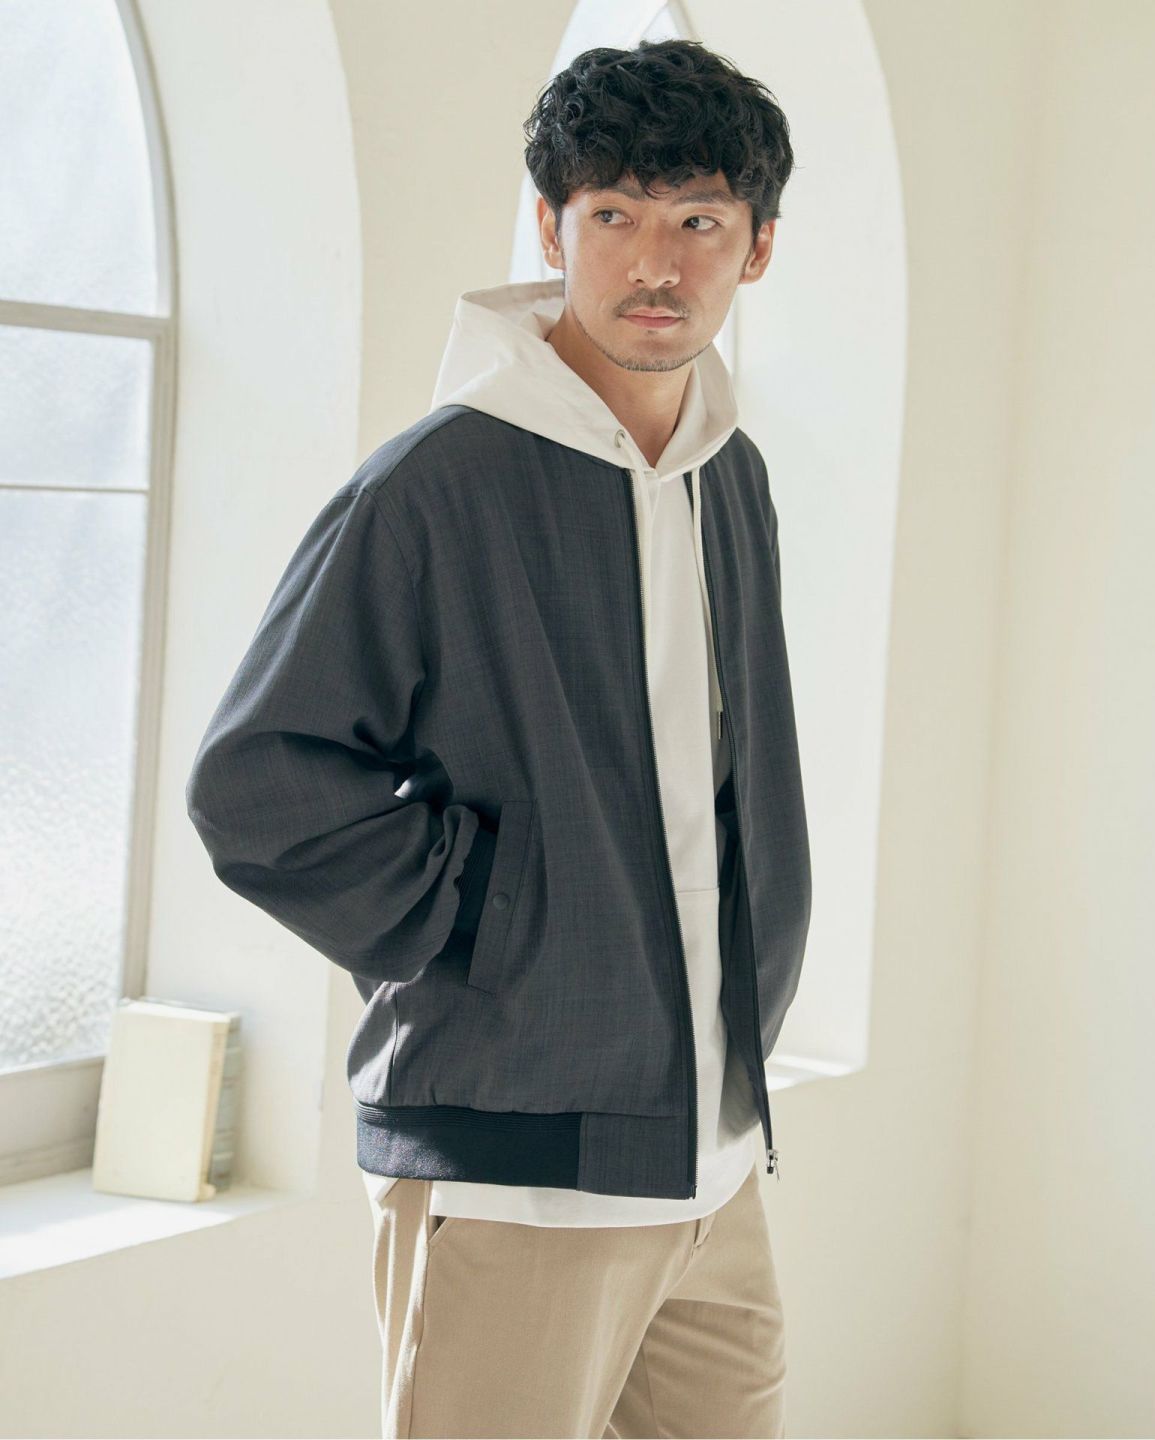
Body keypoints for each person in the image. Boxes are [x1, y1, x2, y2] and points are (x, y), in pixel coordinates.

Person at [185, 35, 812, 1440]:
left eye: (699, 221)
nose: (655, 263)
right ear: (551, 227)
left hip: (714, 1159)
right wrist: (496, 916)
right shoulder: (434, 487)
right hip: (516, 1167)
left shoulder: (731, 474)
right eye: (614, 215)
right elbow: (259, 785)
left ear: (758, 247)